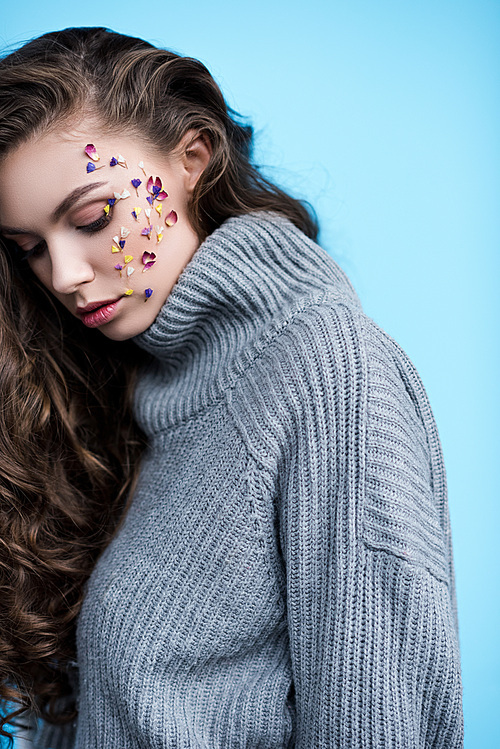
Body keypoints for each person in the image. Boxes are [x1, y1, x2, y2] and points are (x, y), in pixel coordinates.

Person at [0, 26, 463, 749]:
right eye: (30, 247)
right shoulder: (114, 388)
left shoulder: (330, 373)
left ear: (193, 158)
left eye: (92, 218)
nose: (63, 274)